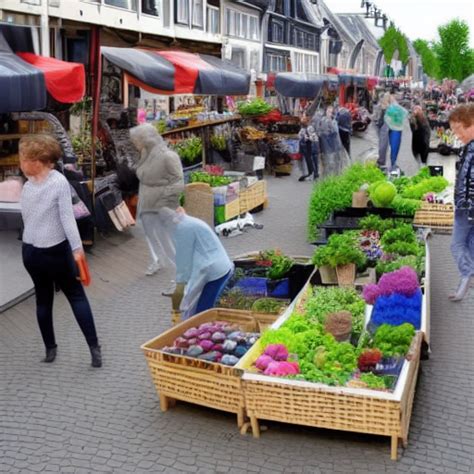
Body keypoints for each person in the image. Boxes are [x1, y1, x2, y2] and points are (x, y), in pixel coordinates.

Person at [19, 135, 101, 367]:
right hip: (55, 250)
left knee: (43, 300)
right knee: (76, 296)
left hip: (31, 252)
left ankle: (50, 349)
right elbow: (67, 220)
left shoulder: (28, 186)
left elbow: (28, 219)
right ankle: (94, 349)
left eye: (25, 157)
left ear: (37, 160)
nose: (22, 161)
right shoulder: (58, 182)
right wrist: (78, 250)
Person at [156, 207, 234, 319]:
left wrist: (180, 290)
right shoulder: (187, 222)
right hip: (215, 266)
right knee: (199, 308)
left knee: (202, 313)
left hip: (214, 270)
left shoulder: (183, 228)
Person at [129, 124, 184, 275]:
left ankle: (180, 274)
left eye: (137, 141)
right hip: (146, 201)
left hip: (162, 204)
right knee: (150, 234)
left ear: (146, 139)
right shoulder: (145, 155)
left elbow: (178, 182)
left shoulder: (168, 156)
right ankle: (157, 260)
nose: (135, 144)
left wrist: (165, 201)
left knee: (167, 239)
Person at [448, 103, 474, 301]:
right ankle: (466, 280)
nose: (457, 135)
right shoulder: (468, 147)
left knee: (457, 244)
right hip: (467, 205)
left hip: (468, 206)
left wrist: (462, 201)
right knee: (470, 244)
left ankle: (467, 276)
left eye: (459, 130)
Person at [384, 96, 408, 171]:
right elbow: (406, 114)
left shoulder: (391, 108)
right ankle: (393, 163)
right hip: (397, 130)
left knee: (392, 146)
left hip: (393, 129)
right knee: (394, 147)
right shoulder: (400, 109)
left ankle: (392, 164)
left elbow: (385, 118)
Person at [297, 115, 319, 181]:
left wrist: (306, 138)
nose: (301, 120)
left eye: (303, 119)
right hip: (309, 147)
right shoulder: (304, 128)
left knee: (311, 160)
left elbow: (313, 138)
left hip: (310, 147)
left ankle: (313, 174)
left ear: (306, 121)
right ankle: (314, 174)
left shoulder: (309, 128)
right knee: (312, 160)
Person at [373, 92, 392, 169]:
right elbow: (375, 116)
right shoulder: (379, 106)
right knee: (381, 143)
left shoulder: (390, 108)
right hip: (380, 125)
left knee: (383, 144)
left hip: (385, 125)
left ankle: (381, 161)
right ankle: (380, 159)